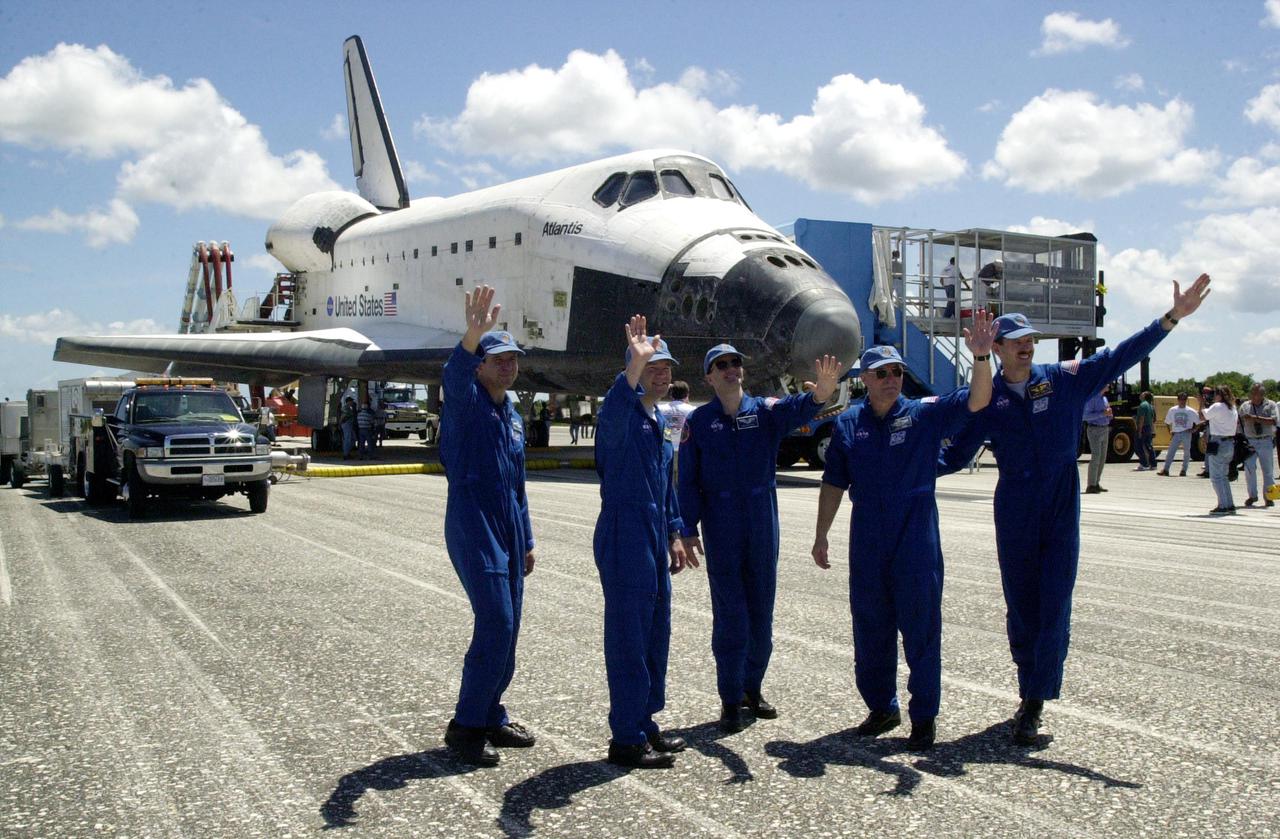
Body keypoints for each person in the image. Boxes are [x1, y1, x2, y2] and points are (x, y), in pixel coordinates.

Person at [939, 273, 1211, 746]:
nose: (1026, 346)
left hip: (1061, 500)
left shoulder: (1065, 379)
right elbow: (955, 454)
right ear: (997, 349)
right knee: (1022, 603)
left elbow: (1123, 353)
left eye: (1030, 340)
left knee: (1055, 600)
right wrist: (898, 478)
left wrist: (1171, 319)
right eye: (1016, 341)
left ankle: (1036, 699)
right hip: (1016, 506)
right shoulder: (987, 396)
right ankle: (1028, 689)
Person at [812, 314, 996, 753]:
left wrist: (983, 357)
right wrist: (821, 534)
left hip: (915, 538)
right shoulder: (847, 424)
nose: (893, 378)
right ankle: (882, 707)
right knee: (871, 627)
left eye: (897, 371)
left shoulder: (923, 415)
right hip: (868, 537)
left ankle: (924, 717)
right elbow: (834, 482)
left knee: (921, 628)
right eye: (883, 373)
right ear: (865, 380)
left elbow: (979, 398)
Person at [678, 345, 841, 732]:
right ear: (709, 377)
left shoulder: (764, 411)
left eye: (736, 363)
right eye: (722, 365)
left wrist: (821, 394)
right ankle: (730, 697)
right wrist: (686, 529)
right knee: (731, 615)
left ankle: (753, 687)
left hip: (761, 520)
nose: (732, 369)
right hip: (722, 522)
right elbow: (687, 481)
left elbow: (798, 408)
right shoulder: (698, 422)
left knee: (761, 614)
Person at [439, 285, 536, 767]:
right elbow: (452, 381)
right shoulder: (467, 403)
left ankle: (491, 711)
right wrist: (472, 337)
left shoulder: (511, 414)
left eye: (512, 359)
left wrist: (529, 540)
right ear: (479, 364)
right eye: (497, 358)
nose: (507, 365)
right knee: (496, 622)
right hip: (473, 523)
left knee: (510, 624)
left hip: (509, 527)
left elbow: (518, 484)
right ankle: (466, 726)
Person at [593, 315, 694, 769]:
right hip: (625, 532)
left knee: (656, 634)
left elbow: (666, 485)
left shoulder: (661, 422)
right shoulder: (620, 415)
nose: (661, 373)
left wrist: (675, 531)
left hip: (653, 535)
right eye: (652, 366)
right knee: (629, 638)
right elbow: (617, 402)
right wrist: (633, 366)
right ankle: (626, 738)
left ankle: (645, 721)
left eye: (666, 367)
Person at [1200, 386, 1238, 514]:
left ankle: (1222, 505)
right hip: (1229, 443)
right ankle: (1229, 504)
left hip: (1218, 442)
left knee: (1216, 477)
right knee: (1224, 476)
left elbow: (1202, 416)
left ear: (1219, 395)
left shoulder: (1217, 406)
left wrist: (1201, 402)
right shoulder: (1232, 408)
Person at [1238, 384, 1276, 508]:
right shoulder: (1245, 406)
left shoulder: (1271, 405)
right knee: (1249, 469)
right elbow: (1239, 423)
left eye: (1256, 393)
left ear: (1262, 394)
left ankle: (1269, 497)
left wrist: (1255, 418)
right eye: (1252, 392)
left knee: (1268, 471)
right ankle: (1252, 495)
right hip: (1250, 441)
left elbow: (1273, 420)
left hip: (1265, 440)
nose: (1253, 395)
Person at [1157, 392, 1198, 476]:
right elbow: (1167, 422)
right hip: (1176, 433)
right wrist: (1170, 431)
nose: (1182, 401)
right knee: (1171, 451)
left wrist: (1194, 430)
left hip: (1186, 433)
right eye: (1180, 399)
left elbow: (1198, 422)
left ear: (1186, 400)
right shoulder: (1173, 410)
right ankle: (1166, 469)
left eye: (1184, 399)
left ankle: (1184, 470)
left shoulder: (1191, 411)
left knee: (1186, 452)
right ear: (1178, 400)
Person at [1082, 385, 1113, 493]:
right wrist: (1102, 414)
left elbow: (1107, 413)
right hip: (1094, 429)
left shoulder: (1104, 398)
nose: (1109, 385)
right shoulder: (1092, 398)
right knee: (1096, 457)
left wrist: (1109, 415)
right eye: (1107, 383)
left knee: (1102, 458)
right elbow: (1085, 416)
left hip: (1105, 429)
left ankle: (1096, 482)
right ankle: (1091, 485)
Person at [1134, 391, 1156, 470]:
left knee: (1138, 446)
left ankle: (1144, 464)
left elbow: (1141, 418)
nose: (1140, 394)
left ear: (1145, 396)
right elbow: (1153, 419)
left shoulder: (1143, 405)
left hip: (1143, 428)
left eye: (1142, 394)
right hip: (1149, 428)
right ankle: (1153, 464)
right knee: (1148, 446)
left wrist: (1139, 431)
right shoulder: (1151, 406)